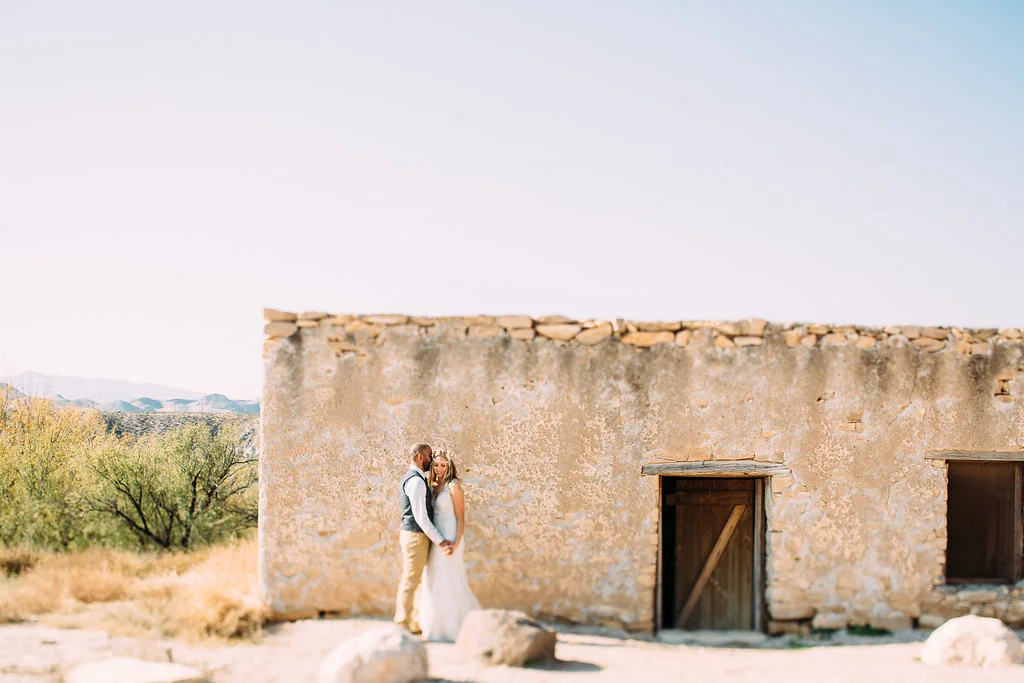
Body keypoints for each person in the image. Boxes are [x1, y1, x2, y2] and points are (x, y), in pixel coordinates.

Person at [417, 449, 481, 641]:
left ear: (449, 466)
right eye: (436, 465)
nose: (438, 469)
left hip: (451, 536)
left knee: (450, 579)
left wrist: (456, 542)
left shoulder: (453, 487)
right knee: (434, 577)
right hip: (437, 537)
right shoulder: (433, 485)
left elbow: (461, 517)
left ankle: (456, 626)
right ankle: (436, 625)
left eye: (443, 465)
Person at [394, 443, 452, 634]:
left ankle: (413, 623)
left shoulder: (417, 479)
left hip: (416, 535)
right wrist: (441, 541)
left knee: (417, 580)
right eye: (429, 457)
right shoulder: (417, 482)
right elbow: (421, 517)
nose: (431, 461)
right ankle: (402, 623)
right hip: (415, 535)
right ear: (420, 457)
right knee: (410, 580)